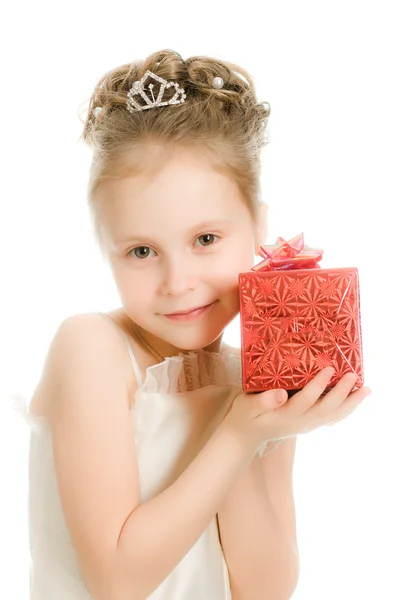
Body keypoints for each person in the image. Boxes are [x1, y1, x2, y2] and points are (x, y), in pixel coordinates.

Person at [11, 49, 371, 600]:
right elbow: (116, 582)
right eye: (140, 251)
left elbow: (266, 589)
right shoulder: (92, 348)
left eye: (205, 239)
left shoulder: (251, 371)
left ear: (258, 227)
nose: (177, 282)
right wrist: (238, 433)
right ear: (105, 250)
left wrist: (261, 426)